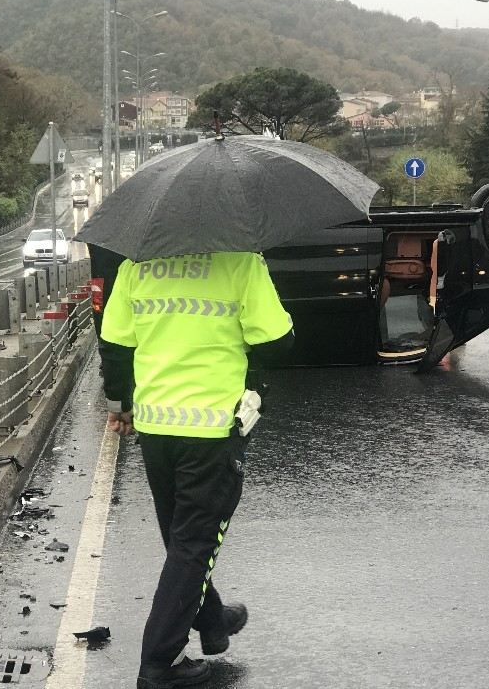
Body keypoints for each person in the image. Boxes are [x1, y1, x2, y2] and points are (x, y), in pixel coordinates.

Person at [100, 251, 294, 689]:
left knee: (180, 535)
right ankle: (158, 663)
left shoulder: (135, 267)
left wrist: (120, 403)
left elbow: (114, 344)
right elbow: (278, 341)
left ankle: (211, 620)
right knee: (194, 544)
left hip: (154, 426)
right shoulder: (242, 263)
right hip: (211, 429)